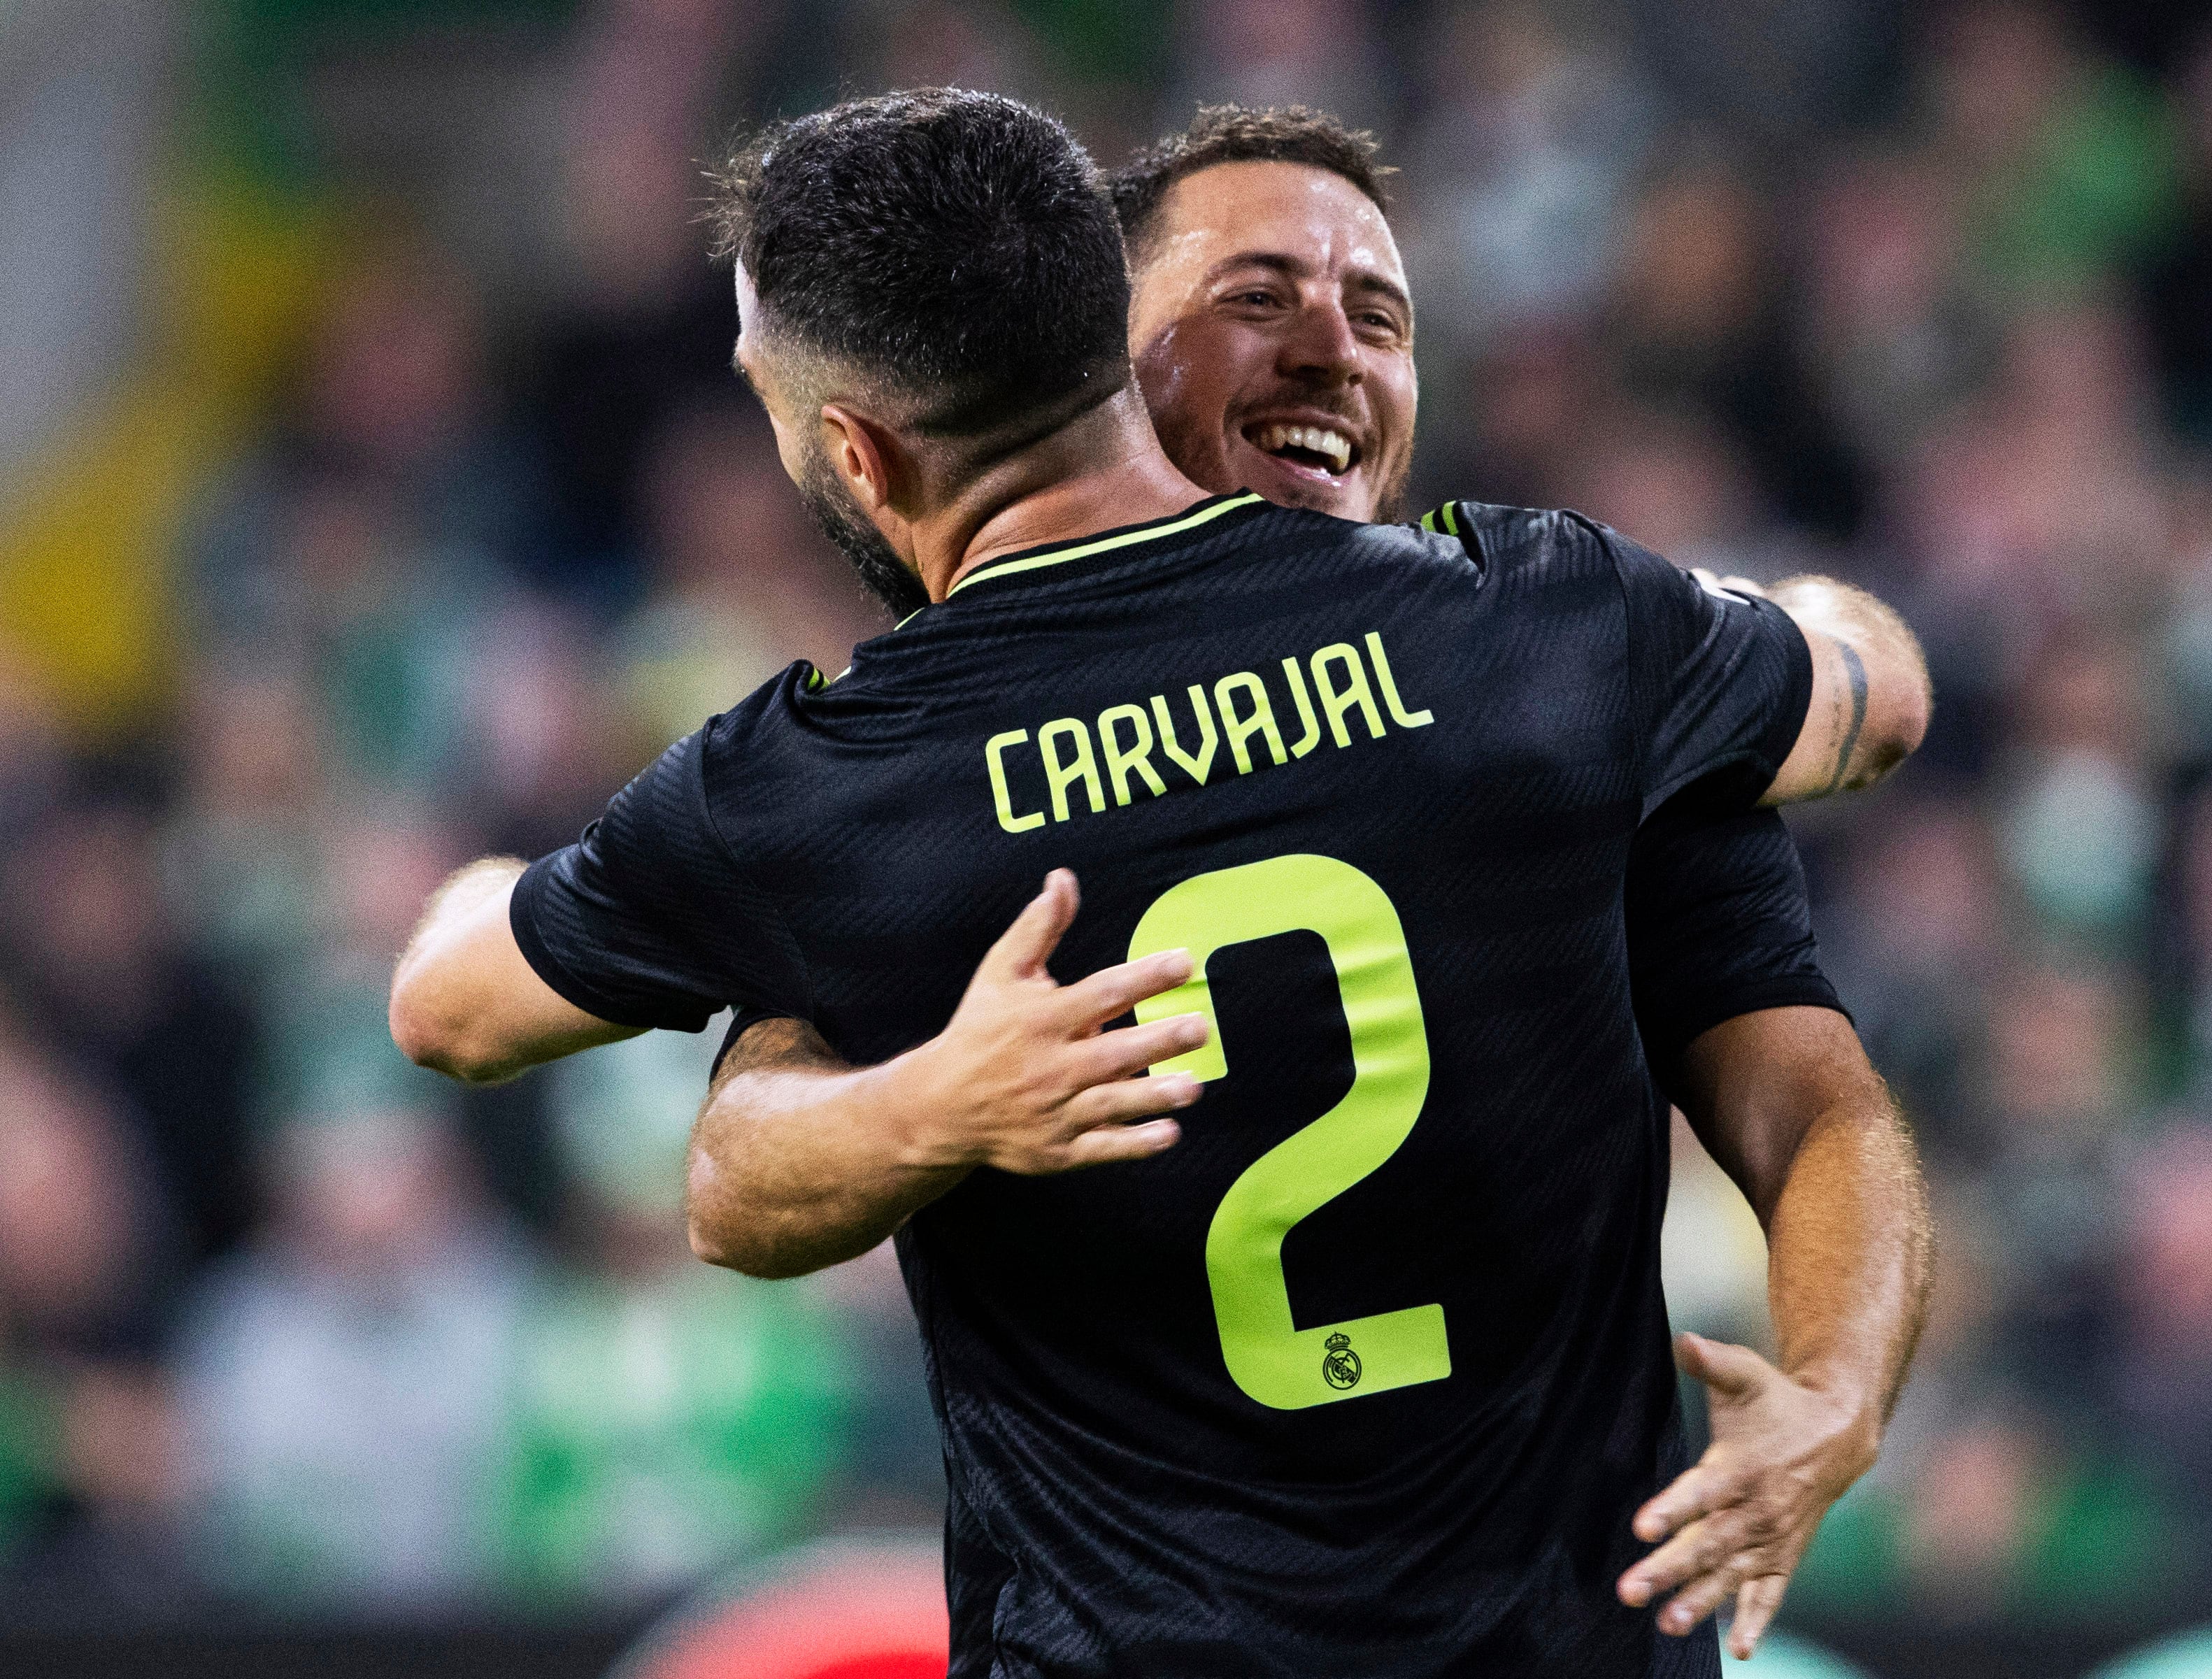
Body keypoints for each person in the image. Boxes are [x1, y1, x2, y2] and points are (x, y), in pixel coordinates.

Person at [389, 92, 1918, 1675]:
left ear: (853, 448)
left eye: (1374, 309)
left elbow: (452, 1006)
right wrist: (1759, 620)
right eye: (1264, 296)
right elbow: (1873, 736)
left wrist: (918, 1095)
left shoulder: (831, 795)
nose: (1328, 347)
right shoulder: (1562, 635)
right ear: (1111, 347)